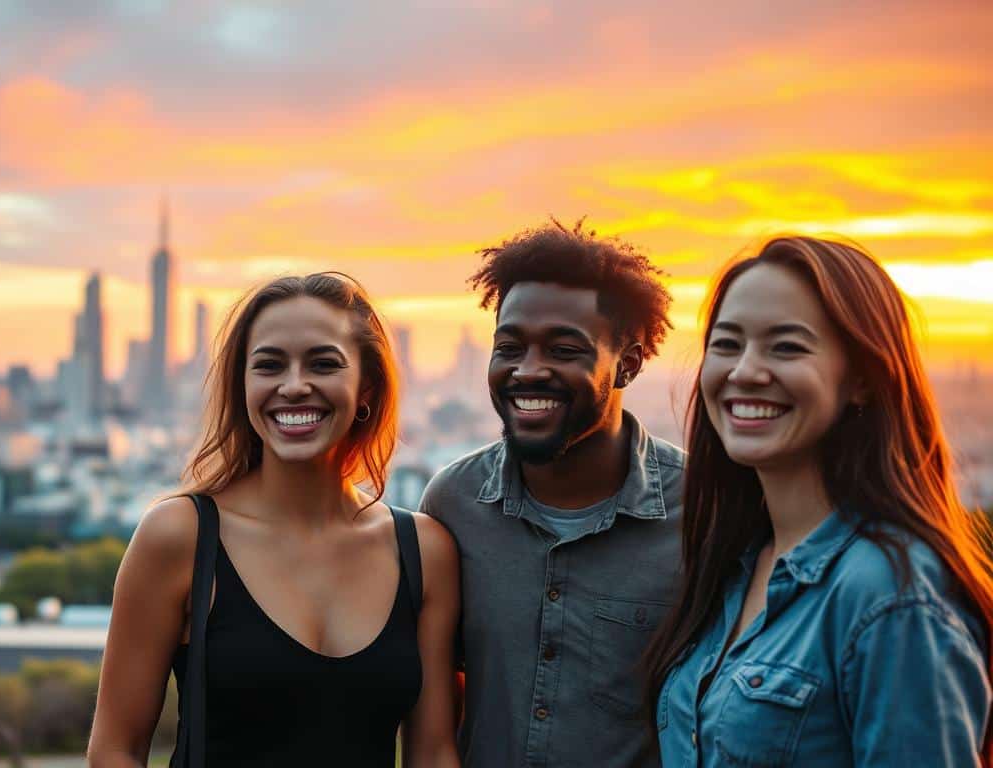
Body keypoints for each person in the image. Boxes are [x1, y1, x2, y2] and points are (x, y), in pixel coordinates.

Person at [644, 236, 993, 766]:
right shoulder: (731, 568)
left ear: (860, 380)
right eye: (727, 344)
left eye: (786, 346)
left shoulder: (890, 595)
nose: (745, 371)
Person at [87, 273, 461, 767]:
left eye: (323, 363)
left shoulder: (423, 551)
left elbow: (433, 753)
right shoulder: (182, 536)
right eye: (269, 365)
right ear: (243, 384)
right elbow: (114, 751)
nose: (294, 386)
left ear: (366, 385)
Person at [419, 219, 683, 767]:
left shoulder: (700, 510)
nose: (528, 371)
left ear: (627, 365)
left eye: (564, 350)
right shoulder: (453, 505)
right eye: (510, 347)